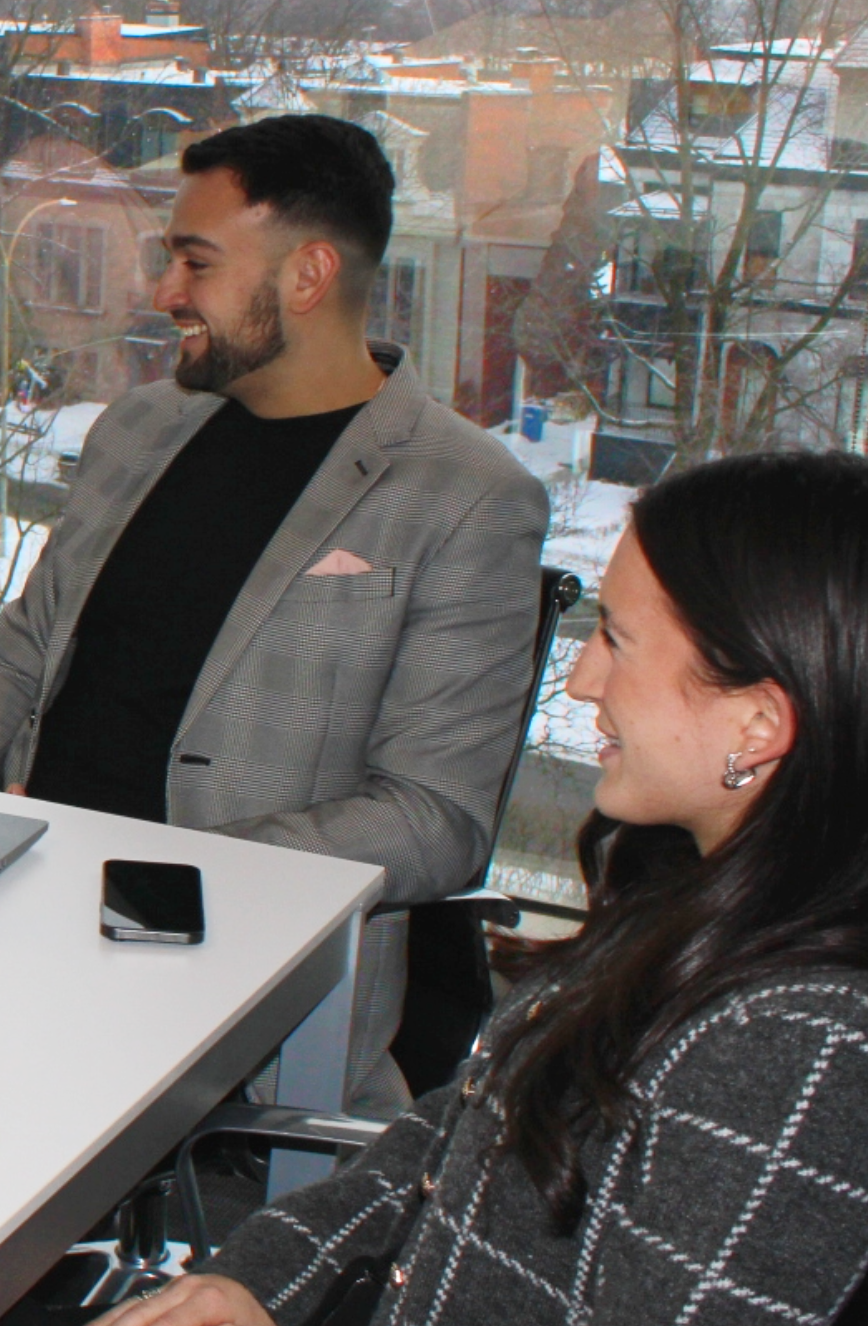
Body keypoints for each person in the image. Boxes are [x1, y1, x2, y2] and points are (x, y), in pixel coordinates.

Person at [105, 452, 868, 1326]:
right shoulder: (689, 898)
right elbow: (468, 1137)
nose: (580, 680)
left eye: (617, 640)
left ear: (758, 723)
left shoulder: (797, 1046)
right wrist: (258, 1281)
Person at [0, 114, 547, 1113]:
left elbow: (436, 821)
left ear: (308, 275)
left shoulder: (467, 496)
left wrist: (165, 875)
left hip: (239, 1001)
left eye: (196, 263)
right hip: (17, 931)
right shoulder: (139, 428)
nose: (164, 293)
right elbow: (24, 653)